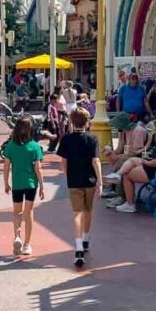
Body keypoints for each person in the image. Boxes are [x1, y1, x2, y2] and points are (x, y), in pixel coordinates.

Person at [57, 106, 102, 268]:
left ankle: (77, 247)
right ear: (87, 122)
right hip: (89, 179)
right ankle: (86, 239)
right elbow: (95, 161)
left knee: (77, 213)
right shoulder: (93, 139)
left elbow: (63, 162)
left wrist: (66, 172)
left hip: (74, 179)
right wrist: (100, 181)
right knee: (88, 210)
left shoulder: (66, 139)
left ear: (71, 121)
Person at [109, 115, 156, 213]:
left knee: (128, 174)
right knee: (131, 161)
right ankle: (117, 175)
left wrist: (147, 162)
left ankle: (129, 203)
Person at [2, 115, 45, 257]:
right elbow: (38, 168)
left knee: (17, 212)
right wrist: (42, 186)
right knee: (29, 212)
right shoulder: (35, 147)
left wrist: (6, 183)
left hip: (17, 184)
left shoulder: (10, 146)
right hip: (31, 184)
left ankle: (17, 236)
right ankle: (27, 244)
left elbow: (6, 166)